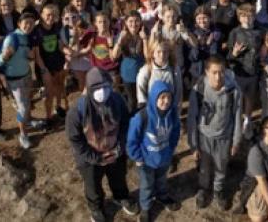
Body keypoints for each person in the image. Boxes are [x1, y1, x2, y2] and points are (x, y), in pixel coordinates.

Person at [65, 67, 138, 222]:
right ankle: (96, 207)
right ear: (89, 89)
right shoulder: (76, 112)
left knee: (118, 178)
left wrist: (119, 148)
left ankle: (121, 196)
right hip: (90, 158)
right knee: (92, 186)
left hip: (115, 152)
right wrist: (96, 158)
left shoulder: (118, 100)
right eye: (97, 88)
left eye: (105, 86)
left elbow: (126, 124)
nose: (102, 91)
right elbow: (76, 141)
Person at [187, 56, 243, 210]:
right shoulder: (198, 90)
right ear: (206, 72)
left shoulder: (233, 91)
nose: (219, 77)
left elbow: (237, 116)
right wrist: (193, 145)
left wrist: (236, 141)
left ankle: (218, 190)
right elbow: (192, 118)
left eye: (222, 72)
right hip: (204, 137)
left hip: (224, 137)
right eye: (214, 72)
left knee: (221, 165)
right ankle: (203, 189)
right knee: (204, 166)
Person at [126, 80, 180, 222]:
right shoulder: (141, 117)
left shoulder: (172, 114)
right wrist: (138, 157)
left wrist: (170, 149)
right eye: (162, 97)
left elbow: (175, 132)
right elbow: (131, 141)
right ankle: (146, 206)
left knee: (162, 180)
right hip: (146, 161)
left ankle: (162, 196)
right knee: (147, 185)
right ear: (154, 97)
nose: (166, 101)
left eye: (168, 97)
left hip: (164, 157)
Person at [0, 12, 46, 149]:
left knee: (27, 102)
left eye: (31, 23)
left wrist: (29, 57)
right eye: (26, 23)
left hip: (26, 75)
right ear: (19, 24)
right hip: (14, 80)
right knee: (22, 108)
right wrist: (5, 57)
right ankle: (23, 134)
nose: (28, 26)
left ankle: (29, 121)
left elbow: (24, 57)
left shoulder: (26, 37)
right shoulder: (12, 38)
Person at [227, 4, 263, 138]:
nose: (247, 18)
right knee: (237, 100)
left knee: (250, 99)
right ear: (239, 18)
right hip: (239, 72)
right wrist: (234, 53)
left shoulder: (260, 32)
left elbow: (264, 48)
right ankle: (235, 124)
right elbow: (229, 57)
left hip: (254, 72)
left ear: (254, 16)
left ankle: (247, 122)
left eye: (249, 15)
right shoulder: (235, 33)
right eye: (243, 15)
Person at [32, 4, 68, 128]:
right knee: (49, 92)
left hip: (58, 61)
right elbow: (36, 54)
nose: (50, 17)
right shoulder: (37, 30)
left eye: (53, 15)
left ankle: (58, 107)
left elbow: (59, 45)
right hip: (44, 66)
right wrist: (43, 70)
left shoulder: (56, 27)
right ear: (41, 15)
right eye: (48, 15)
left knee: (59, 85)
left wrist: (68, 54)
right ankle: (48, 117)